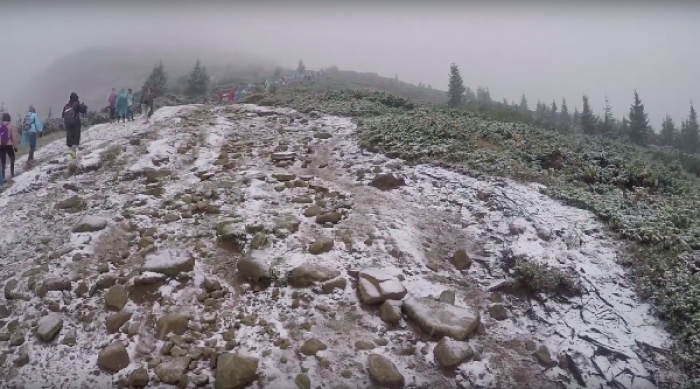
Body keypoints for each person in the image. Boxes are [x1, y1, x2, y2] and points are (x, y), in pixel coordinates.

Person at [62, 92, 88, 159]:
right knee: (75, 140)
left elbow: (63, 115)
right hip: (75, 125)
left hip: (68, 126)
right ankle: (72, 156)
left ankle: (70, 155)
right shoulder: (76, 104)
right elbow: (83, 110)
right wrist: (84, 106)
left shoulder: (66, 106)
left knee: (70, 140)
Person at [0, 113, 19, 186]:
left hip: (1, 145)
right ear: (9, 119)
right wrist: (15, 147)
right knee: (12, 158)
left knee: (3, 161)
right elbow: (14, 137)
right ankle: (12, 173)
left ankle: (3, 177)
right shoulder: (10, 126)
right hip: (8, 145)